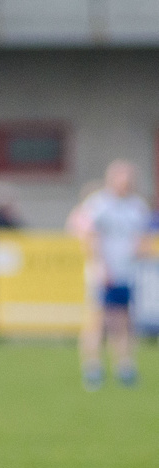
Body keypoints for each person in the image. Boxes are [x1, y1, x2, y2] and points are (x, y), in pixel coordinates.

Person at [75, 159, 150, 390]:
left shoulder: (137, 206)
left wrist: (139, 252)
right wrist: (100, 265)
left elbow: (141, 237)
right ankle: (92, 368)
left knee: (125, 320)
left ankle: (124, 366)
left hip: (127, 272)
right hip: (103, 272)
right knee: (99, 321)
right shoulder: (99, 204)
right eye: (120, 176)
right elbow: (86, 233)